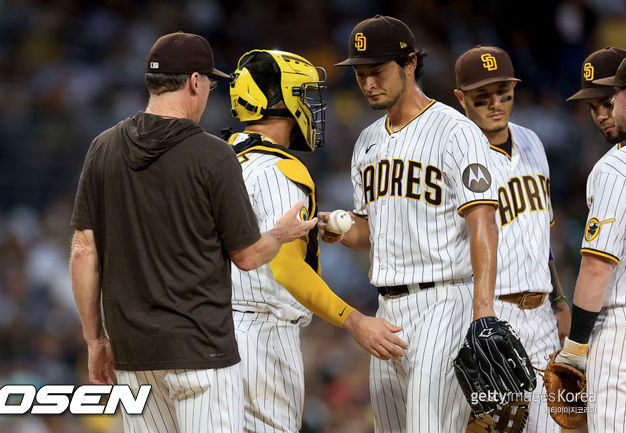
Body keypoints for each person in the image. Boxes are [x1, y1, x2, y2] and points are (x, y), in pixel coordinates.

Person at [69, 32, 316, 433]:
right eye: (209, 84)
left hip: (133, 353)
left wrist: (95, 339)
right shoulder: (213, 155)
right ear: (195, 82)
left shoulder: (103, 147)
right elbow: (248, 257)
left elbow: (83, 250)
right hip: (201, 351)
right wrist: (280, 233)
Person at [324, 15, 500, 433]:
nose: (368, 83)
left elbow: (484, 221)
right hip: (385, 311)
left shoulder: (456, 131)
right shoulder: (366, 141)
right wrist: (343, 230)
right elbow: (370, 233)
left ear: (409, 66)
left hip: (444, 300)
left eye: (377, 72)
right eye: (361, 74)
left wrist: (483, 311)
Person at [225, 48, 408, 433]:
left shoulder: (221, 158)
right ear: (279, 99)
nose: (310, 105)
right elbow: (287, 268)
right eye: (303, 94)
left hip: (213, 332)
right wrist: (353, 319)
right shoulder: (281, 169)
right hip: (261, 338)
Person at [453, 45, 569, 433]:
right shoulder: (453, 151)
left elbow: (541, 234)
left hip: (542, 317)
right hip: (491, 317)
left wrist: (558, 300)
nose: (495, 104)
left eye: (503, 92)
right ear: (461, 99)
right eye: (481, 97)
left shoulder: (533, 142)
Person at [553, 54, 626, 433]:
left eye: (608, 100)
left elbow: (597, 266)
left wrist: (576, 346)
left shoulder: (613, 168)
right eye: (593, 106)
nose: (601, 113)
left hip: (617, 330)